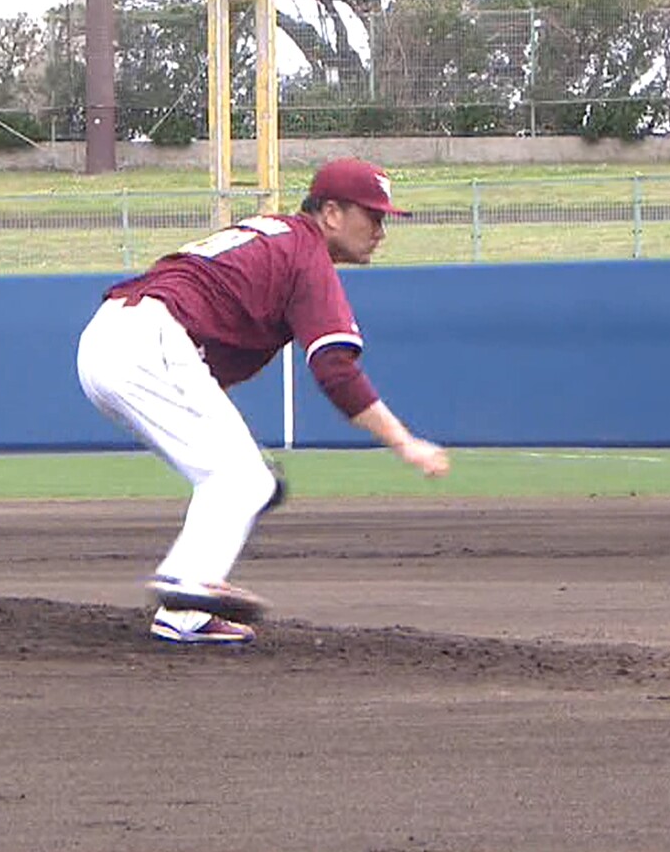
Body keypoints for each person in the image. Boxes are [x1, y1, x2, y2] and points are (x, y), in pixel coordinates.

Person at [76, 157, 451, 646]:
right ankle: (185, 585)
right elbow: (336, 372)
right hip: (151, 340)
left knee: (237, 476)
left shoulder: (273, 233)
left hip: (111, 337)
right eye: (373, 215)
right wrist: (406, 443)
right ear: (331, 213)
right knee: (241, 478)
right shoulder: (307, 254)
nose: (381, 230)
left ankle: (186, 613)